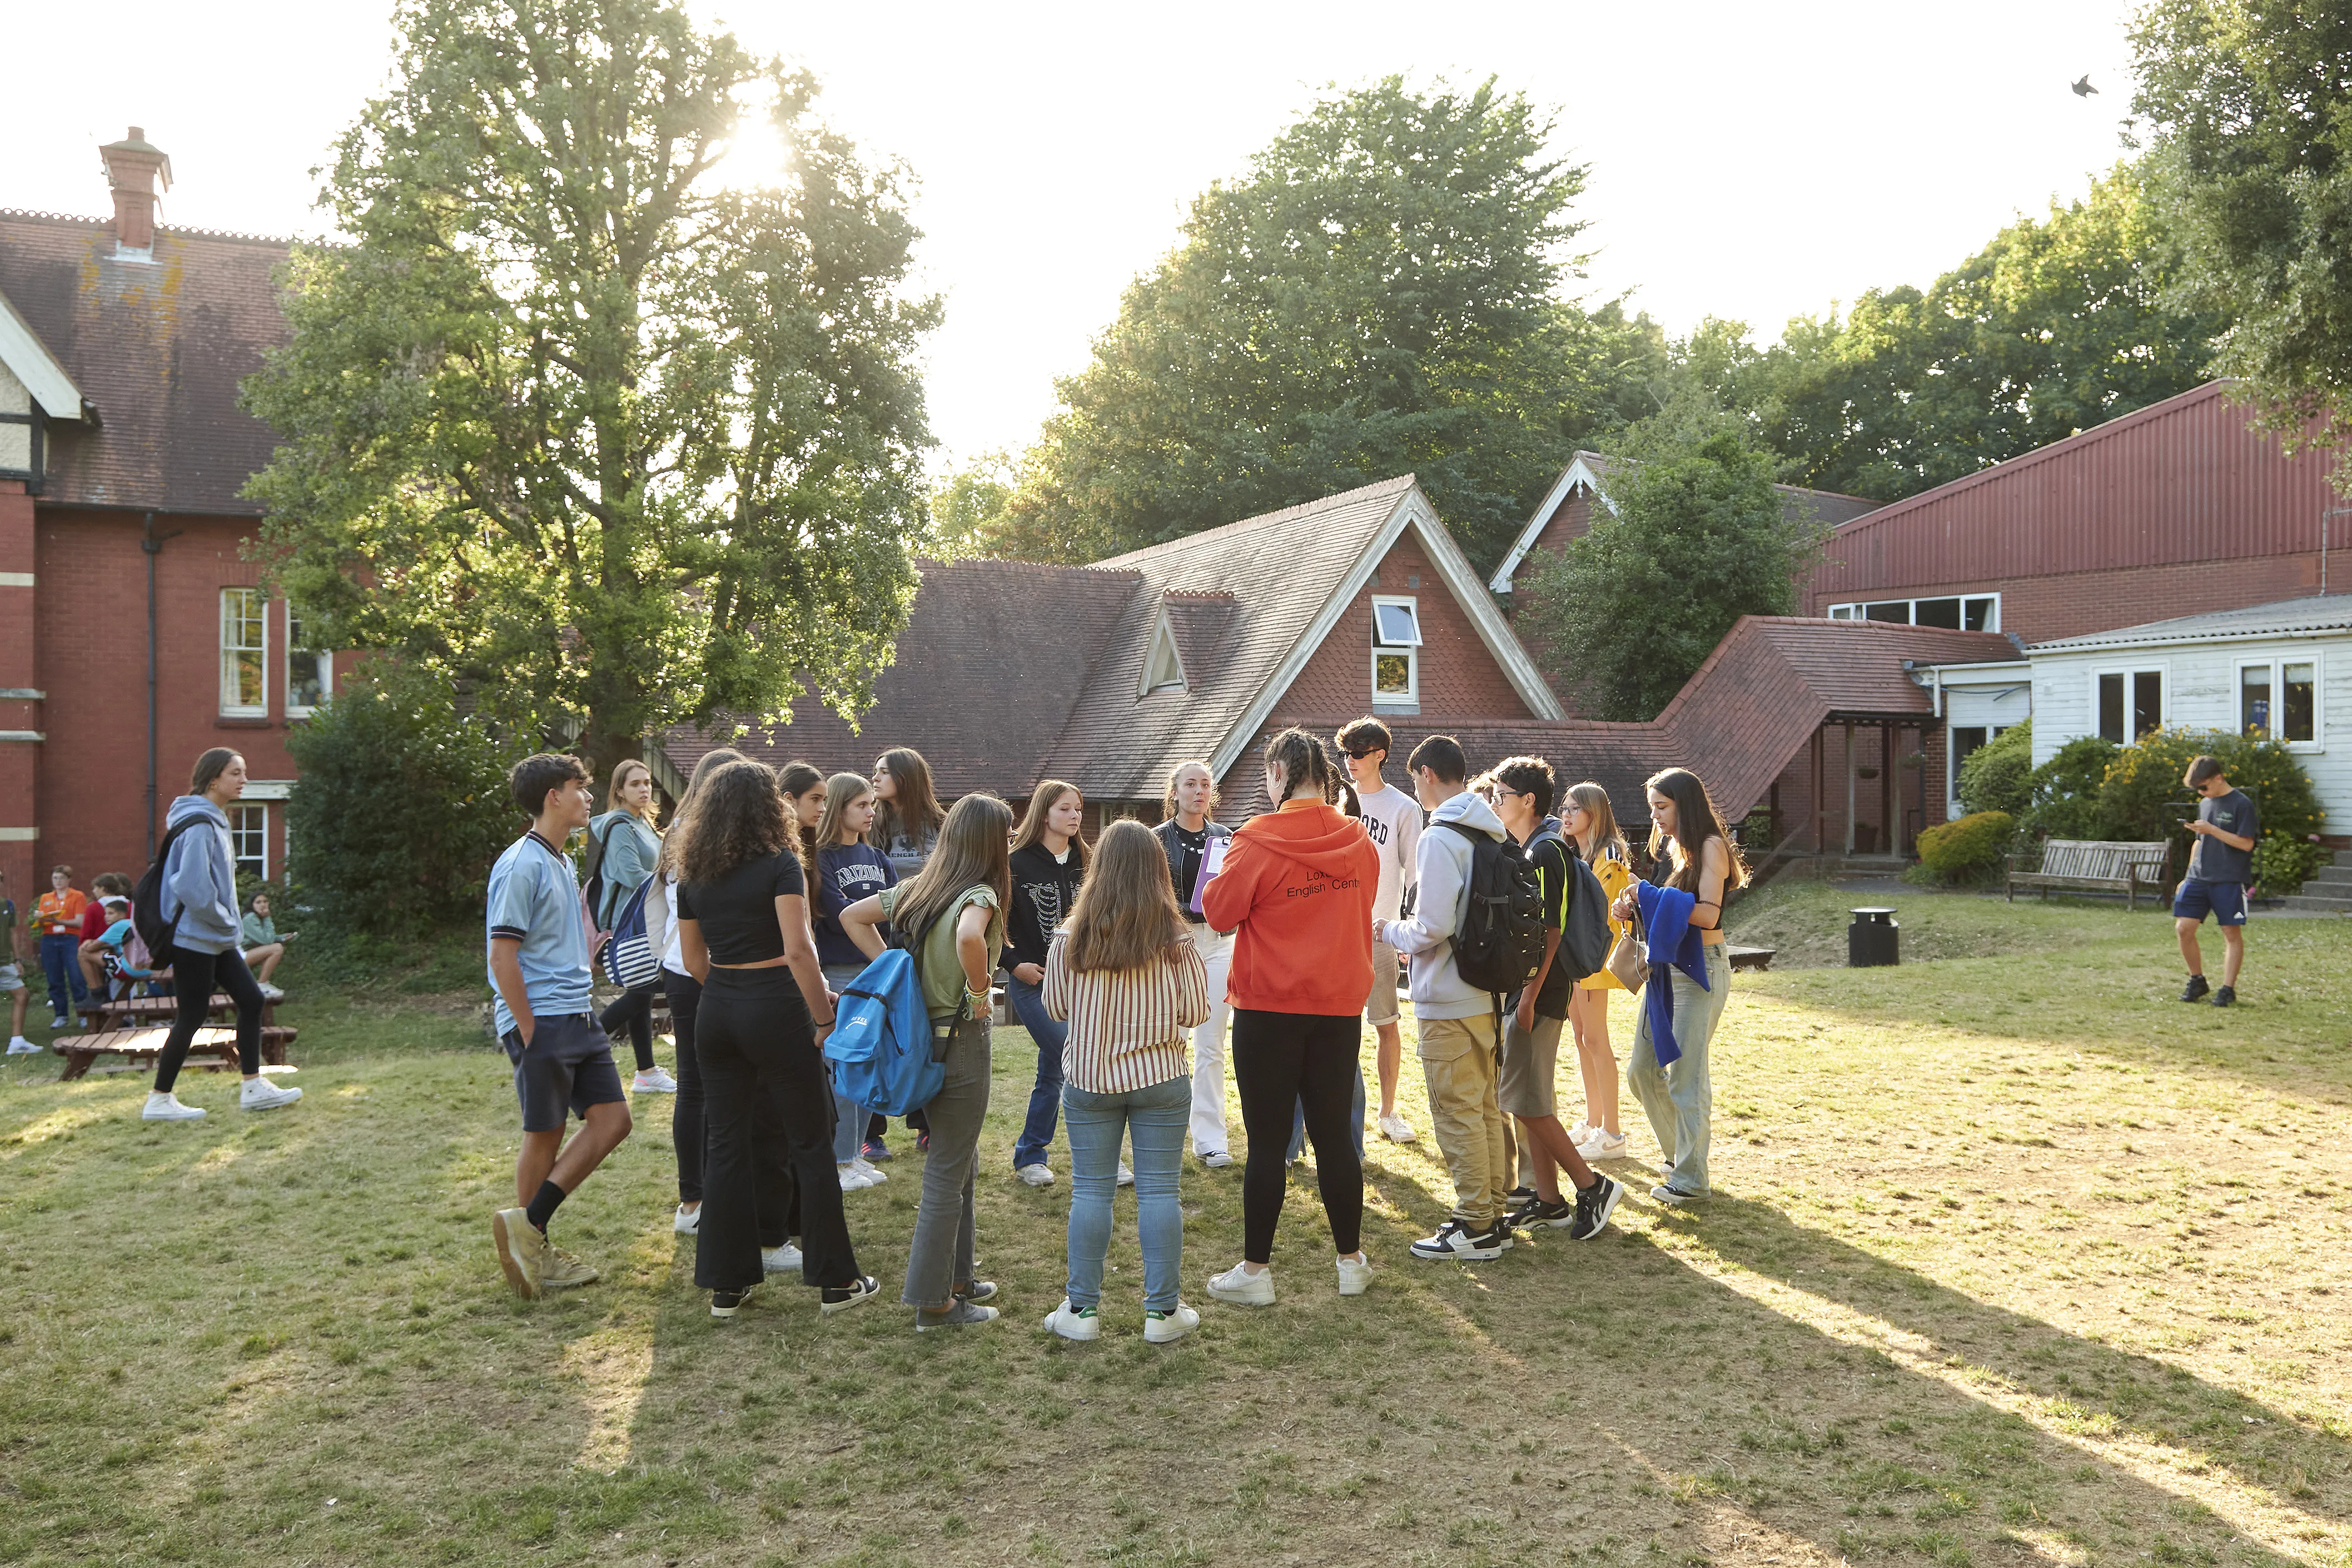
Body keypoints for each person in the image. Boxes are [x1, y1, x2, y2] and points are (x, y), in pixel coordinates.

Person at [673, 760, 878, 1321]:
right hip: (777, 1007)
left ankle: (727, 1284)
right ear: (771, 807)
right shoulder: (781, 864)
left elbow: (693, 960)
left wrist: (734, 991)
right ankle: (838, 1281)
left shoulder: (694, 871)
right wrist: (824, 1018)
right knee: (810, 1140)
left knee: (726, 1143)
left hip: (718, 1010)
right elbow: (798, 949)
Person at [1200, 727, 1379, 1307]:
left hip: (1269, 1005)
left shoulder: (1256, 838)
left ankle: (1256, 1270)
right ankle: (1351, 1261)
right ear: (1323, 775)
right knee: (1334, 1137)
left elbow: (1219, 912)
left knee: (1267, 1141)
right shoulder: (1358, 839)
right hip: (1336, 1005)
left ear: (1278, 773)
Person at [841, 791, 1012, 1331]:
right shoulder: (979, 892)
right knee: (947, 1169)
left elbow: (851, 915)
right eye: (1006, 835)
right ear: (989, 843)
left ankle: (958, 1277)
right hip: (960, 1039)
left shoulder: (919, 888)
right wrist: (980, 991)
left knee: (960, 1160)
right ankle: (933, 1302)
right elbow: (969, 936)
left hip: (920, 1039)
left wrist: (897, 973)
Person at [1041, 819, 1210, 1343]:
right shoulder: (1176, 939)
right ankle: (1163, 1313)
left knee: (1091, 1191)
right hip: (1160, 1076)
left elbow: (1055, 1006)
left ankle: (1081, 1310)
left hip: (1090, 1077)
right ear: (1158, 870)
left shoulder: (1069, 936)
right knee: (1160, 1191)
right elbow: (1196, 1011)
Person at [487, 754, 633, 1297]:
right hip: (542, 1019)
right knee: (544, 1134)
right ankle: (535, 1253)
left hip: (578, 1012)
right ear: (553, 796)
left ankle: (527, 1229)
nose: (589, 797)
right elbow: (502, 955)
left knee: (613, 1120)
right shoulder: (520, 863)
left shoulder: (561, 860)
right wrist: (528, 1030)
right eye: (579, 787)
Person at [1374, 735, 1518, 1261]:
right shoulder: (1490, 829)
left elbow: (1432, 925)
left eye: (1414, 778)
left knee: (1456, 1111)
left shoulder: (1440, 835)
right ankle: (1494, 1214)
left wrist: (1387, 929)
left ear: (1427, 774)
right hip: (1486, 991)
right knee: (1485, 1107)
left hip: (1448, 994)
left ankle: (1475, 1223)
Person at [1486, 757, 1625, 1239]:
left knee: (1525, 1100)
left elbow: (1551, 930)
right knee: (1530, 1099)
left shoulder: (1545, 852)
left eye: (1501, 796)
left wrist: (1527, 998)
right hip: (1532, 989)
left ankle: (1592, 1186)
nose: (1495, 803)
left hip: (1539, 992)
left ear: (1527, 801)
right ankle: (1549, 1200)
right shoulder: (1533, 847)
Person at [142, 752, 303, 1123]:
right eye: (236, 773)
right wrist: (227, 921)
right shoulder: (201, 825)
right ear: (213, 779)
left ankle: (253, 1087)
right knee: (192, 1015)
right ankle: (159, 1099)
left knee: (251, 999)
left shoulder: (213, 819)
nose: (244, 779)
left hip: (214, 937)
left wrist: (225, 927)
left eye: (244, 772)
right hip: (196, 937)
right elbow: (192, 887)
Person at [1617, 767, 1744, 1207]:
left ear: (1684, 805)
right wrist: (1634, 905)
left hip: (1701, 970)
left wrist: (1648, 895)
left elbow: (1707, 914)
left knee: (1686, 1078)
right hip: (1666, 968)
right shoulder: (1676, 848)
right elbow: (1670, 911)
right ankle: (1683, 1158)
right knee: (1641, 1071)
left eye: (1662, 806)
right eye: (1652, 807)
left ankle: (1691, 1180)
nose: (1654, 816)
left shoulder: (1711, 846)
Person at [653, 747, 748, 1234]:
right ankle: (693, 1200)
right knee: (697, 1084)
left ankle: (707, 1191)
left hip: (690, 967)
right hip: (700, 967)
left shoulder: (680, 831)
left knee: (706, 1084)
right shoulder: (704, 836)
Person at [1006, 780, 1098, 1187]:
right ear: (1044, 814)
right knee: (1076, 1058)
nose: (1075, 815)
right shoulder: (1014, 864)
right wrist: (1015, 966)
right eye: (1065, 808)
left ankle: (1030, 1155)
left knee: (1052, 1073)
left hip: (1083, 984)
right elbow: (991, 925)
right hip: (1033, 984)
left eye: (1078, 808)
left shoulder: (1088, 861)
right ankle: (1098, 1157)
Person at [811, 770, 895, 1191]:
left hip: (877, 972)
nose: (870, 811)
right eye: (861, 804)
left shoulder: (878, 857)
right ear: (839, 807)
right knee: (844, 1066)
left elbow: (899, 908)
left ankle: (855, 1152)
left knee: (870, 1067)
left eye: (872, 805)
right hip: (841, 972)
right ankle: (840, 1158)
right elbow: (837, 911)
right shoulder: (821, 857)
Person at [1337, 717, 1421, 1143]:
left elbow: (1416, 876)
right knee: (1336, 1028)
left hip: (1380, 932)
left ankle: (1388, 1112)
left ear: (1379, 755)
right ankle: (1335, 1112)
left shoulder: (1403, 807)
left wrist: (1408, 932)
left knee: (1386, 1022)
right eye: (1345, 753)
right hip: (1336, 934)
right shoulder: (1334, 802)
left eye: (1357, 753)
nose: (1349, 761)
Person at [1153, 763, 1237, 1168]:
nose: (1199, 791)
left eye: (1205, 784)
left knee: (1211, 1044)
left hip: (1220, 944)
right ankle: (1164, 1133)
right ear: (1175, 792)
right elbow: (1150, 895)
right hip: (1174, 945)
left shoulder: (1226, 838)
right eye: (1190, 784)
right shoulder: (1156, 840)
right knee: (1171, 1040)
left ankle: (1211, 1139)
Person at [863, 746, 945, 1160]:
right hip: (879, 936)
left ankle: (925, 1125)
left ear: (906, 777)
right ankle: (871, 1131)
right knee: (876, 1030)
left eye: (883, 772)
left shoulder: (940, 824)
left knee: (922, 1030)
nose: (875, 779)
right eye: (874, 771)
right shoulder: (869, 822)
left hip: (928, 938)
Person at [590, 758, 674, 1094]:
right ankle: (579, 1053)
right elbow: (632, 875)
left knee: (641, 991)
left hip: (646, 921)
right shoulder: (620, 827)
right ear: (620, 791)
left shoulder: (644, 824)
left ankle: (646, 1072)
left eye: (647, 783)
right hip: (629, 925)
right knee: (643, 992)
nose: (644, 789)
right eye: (635, 784)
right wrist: (672, 886)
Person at [1564, 782, 1634, 1160]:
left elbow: (1608, 909)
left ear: (1595, 811)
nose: (1567, 814)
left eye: (1575, 808)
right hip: (1576, 955)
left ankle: (1613, 1132)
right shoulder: (1576, 851)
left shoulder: (1610, 853)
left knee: (1595, 1039)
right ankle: (1594, 1122)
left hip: (1593, 955)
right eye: (1565, 807)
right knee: (1581, 1036)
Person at [2175, 754, 2258, 1008]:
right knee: (2183, 928)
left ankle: (2228, 988)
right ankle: (2197, 980)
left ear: (2219, 778)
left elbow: (2246, 844)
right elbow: (2199, 842)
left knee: (2231, 932)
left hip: (2228, 878)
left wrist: (2212, 830)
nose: (2201, 793)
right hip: (2198, 877)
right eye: (2197, 789)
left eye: (2204, 787)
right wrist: (2187, 876)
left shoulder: (2242, 804)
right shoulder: (2205, 803)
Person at [32, 865, 90, 1031]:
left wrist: (58, 921)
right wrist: (40, 919)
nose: (58, 882)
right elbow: (42, 922)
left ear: (69, 880)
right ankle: (61, 1015)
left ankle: (83, 1014)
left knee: (76, 977)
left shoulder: (77, 896)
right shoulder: (46, 897)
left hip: (70, 938)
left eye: (62, 878)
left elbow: (79, 922)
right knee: (54, 978)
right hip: (49, 938)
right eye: (55, 878)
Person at [75, 873, 134, 1020]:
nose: (106, 917)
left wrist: (89, 943)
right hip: (133, 957)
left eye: (95, 888)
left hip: (124, 965)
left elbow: (86, 939)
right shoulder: (131, 906)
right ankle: (125, 1018)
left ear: (103, 888)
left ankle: (97, 994)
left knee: (83, 953)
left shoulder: (96, 908)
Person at [0, 869, 31, 1054]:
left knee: (22, 995)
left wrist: (17, 959)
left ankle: (17, 1042)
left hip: (5, 962)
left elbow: (12, 933)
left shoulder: (8, 905)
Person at [239, 889, 292, 995]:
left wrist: (281, 938)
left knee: (273, 950)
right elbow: (267, 941)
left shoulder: (256, 917)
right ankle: (262, 985)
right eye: (258, 902)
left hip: (244, 955)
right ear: (252, 905)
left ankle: (259, 985)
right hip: (238, 958)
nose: (263, 905)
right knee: (277, 949)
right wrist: (267, 918)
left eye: (265, 901)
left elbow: (263, 938)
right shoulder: (250, 918)